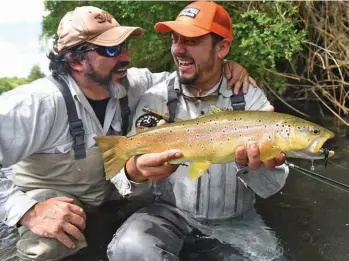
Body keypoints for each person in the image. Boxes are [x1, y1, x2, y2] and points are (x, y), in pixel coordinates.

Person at [0, 5, 254, 261]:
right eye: (111, 50)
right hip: (56, 202)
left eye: (124, 46)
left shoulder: (131, 82)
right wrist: (28, 211)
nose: (126, 57)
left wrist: (226, 65)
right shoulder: (35, 104)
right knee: (49, 245)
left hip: (114, 198)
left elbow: (191, 75)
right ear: (76, 61)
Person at [107, 2, 289, 261]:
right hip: (167, 215)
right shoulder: (155, 98)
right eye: (175, 39)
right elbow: (123, 180)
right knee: (130, 248)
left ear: (222, 48)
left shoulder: (249, 100)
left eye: (191, 40)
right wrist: (135, 172)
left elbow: (271, 188)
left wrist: (255, 167)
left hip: (236, 220)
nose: (178, 49)